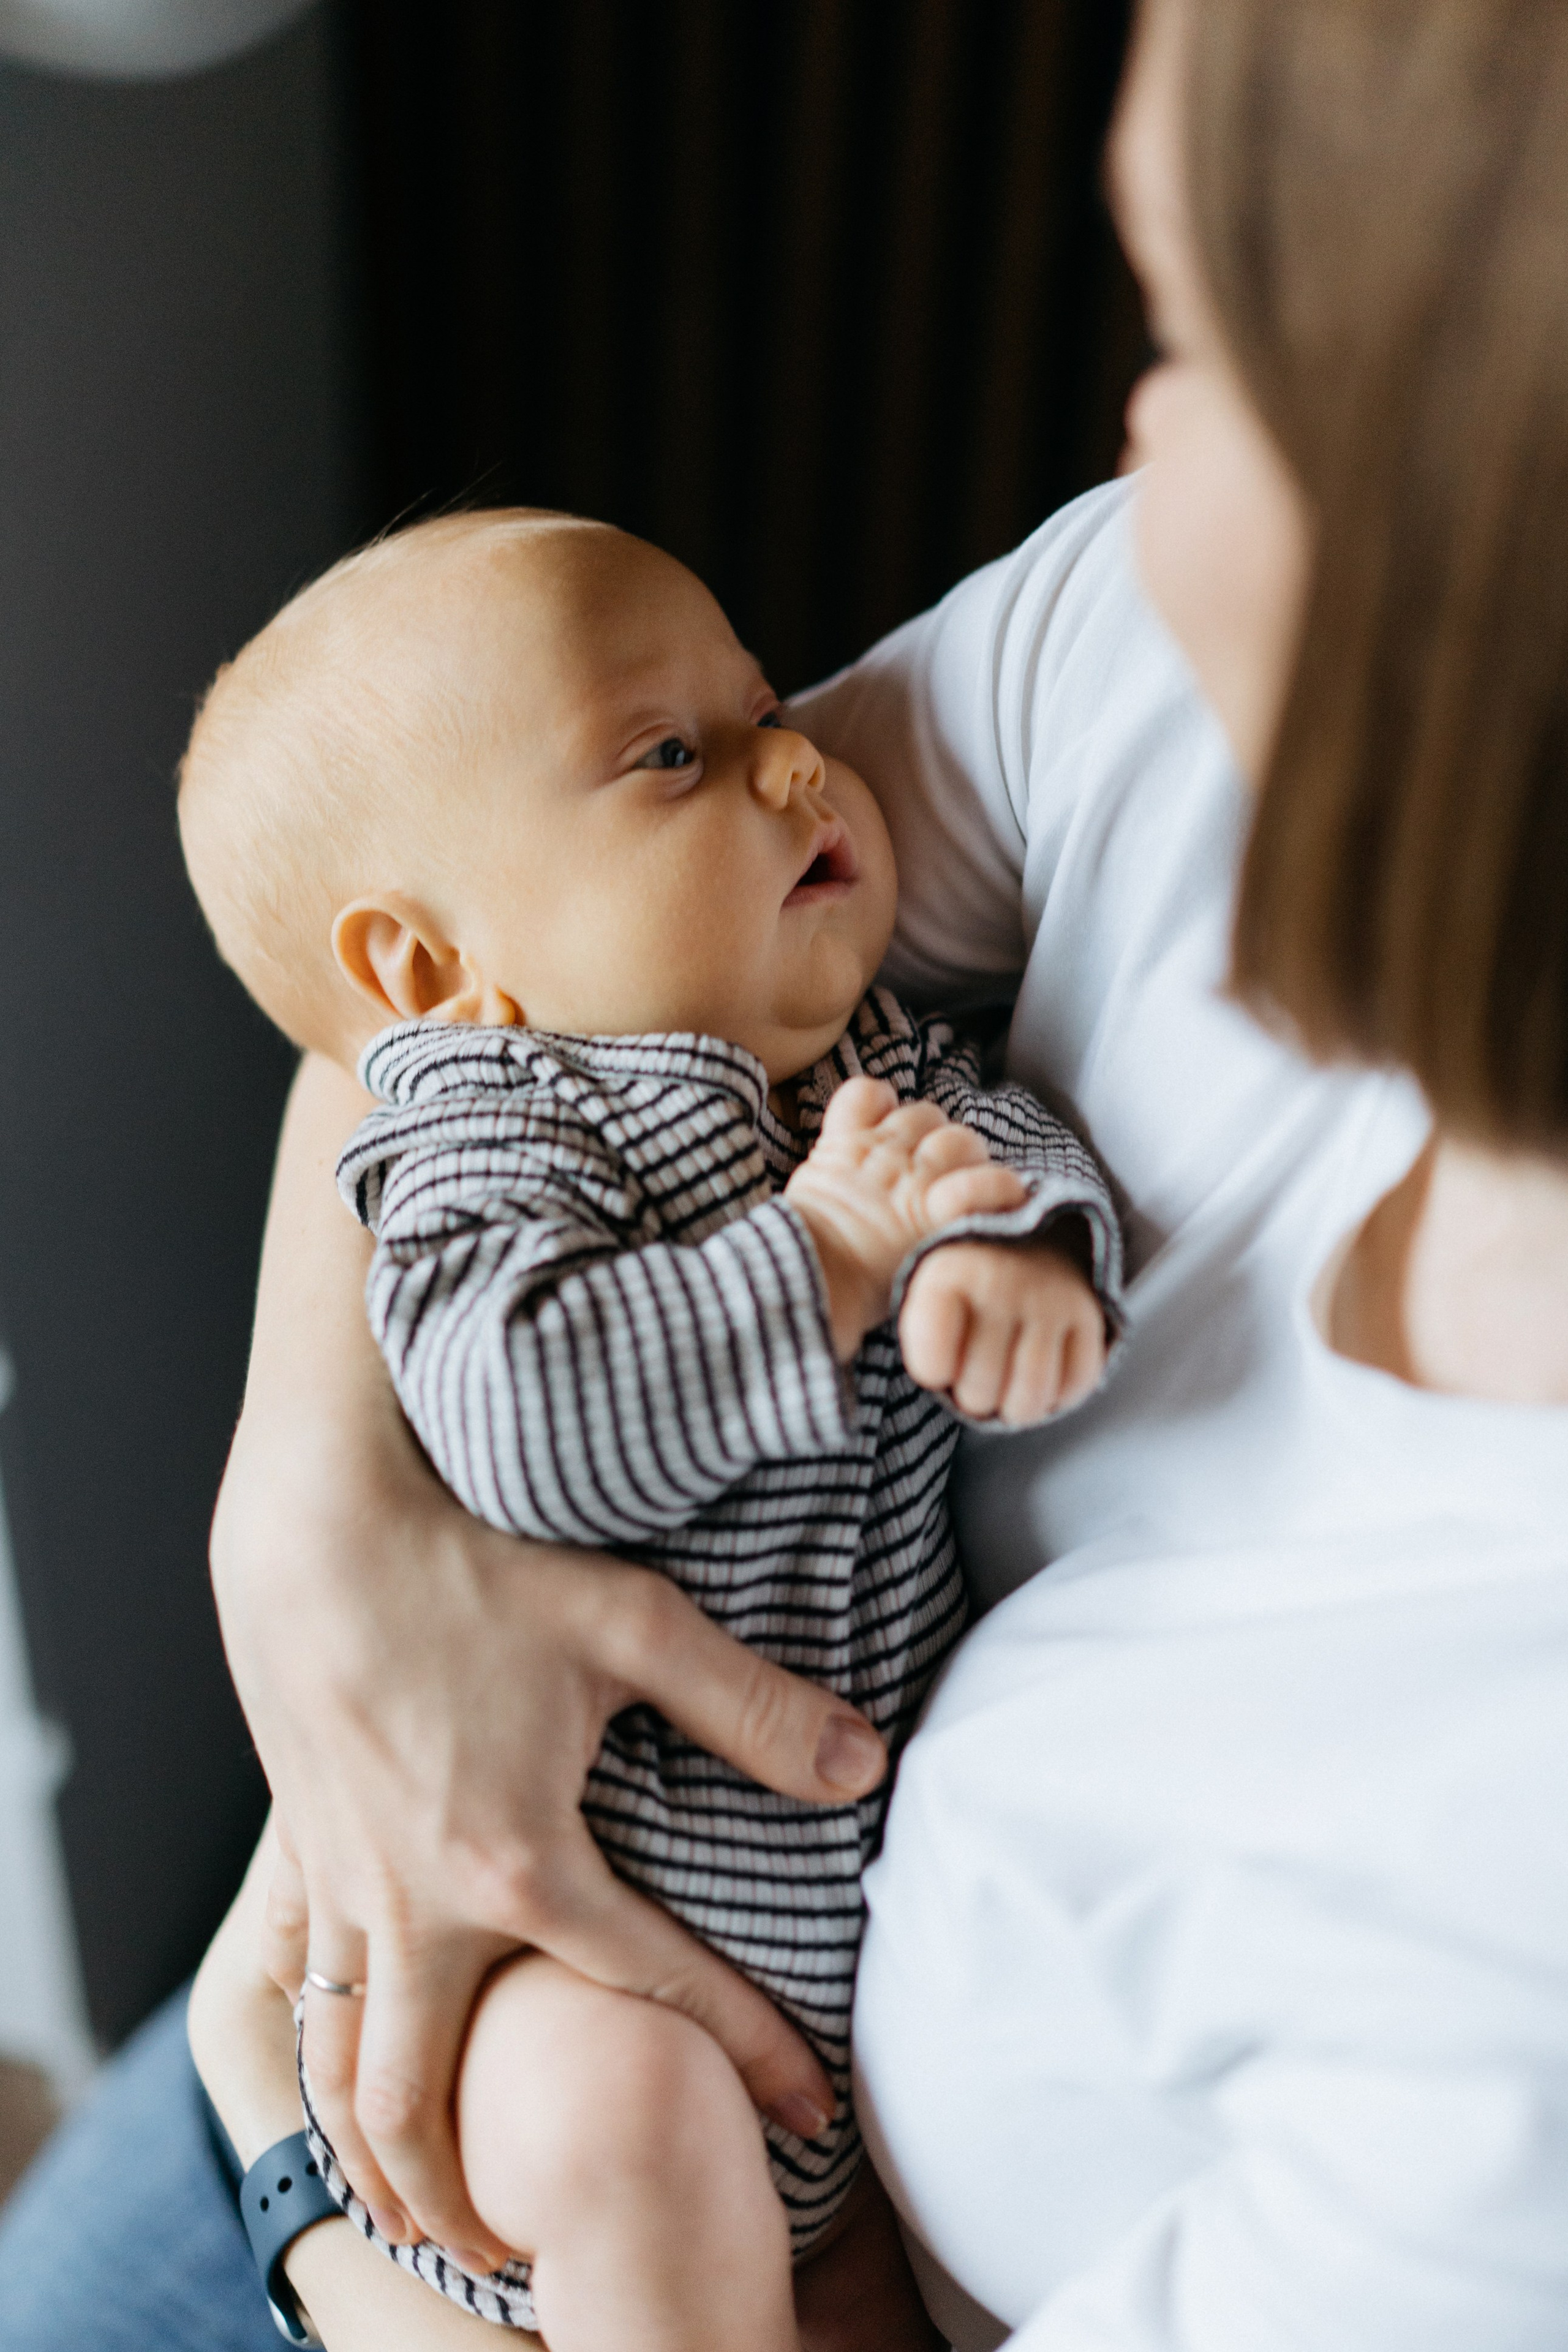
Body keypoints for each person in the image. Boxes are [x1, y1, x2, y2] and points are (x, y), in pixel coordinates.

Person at [3, 1, 1565, 2345]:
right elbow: (480, 995)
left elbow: (862, 1084)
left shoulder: (1498, 1945)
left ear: (1462, 504)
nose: (1127, 443)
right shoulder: (1135, 668)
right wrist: (306, 1530)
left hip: (514, 2198)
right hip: (456, 1983)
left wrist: (293, 2183)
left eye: (1220, 347)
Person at [175, 510, 1121, 2350]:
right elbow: (533, 1416)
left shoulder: (862, 1068)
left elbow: (1005, 1143)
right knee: (637, 2124)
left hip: (835, 2065)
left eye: (768, 707)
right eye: (671, 753)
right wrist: (833, 1254)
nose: (796, 756)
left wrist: (1021, 1239)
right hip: (547, 2002)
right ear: (434, 979)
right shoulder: (488, 1142)